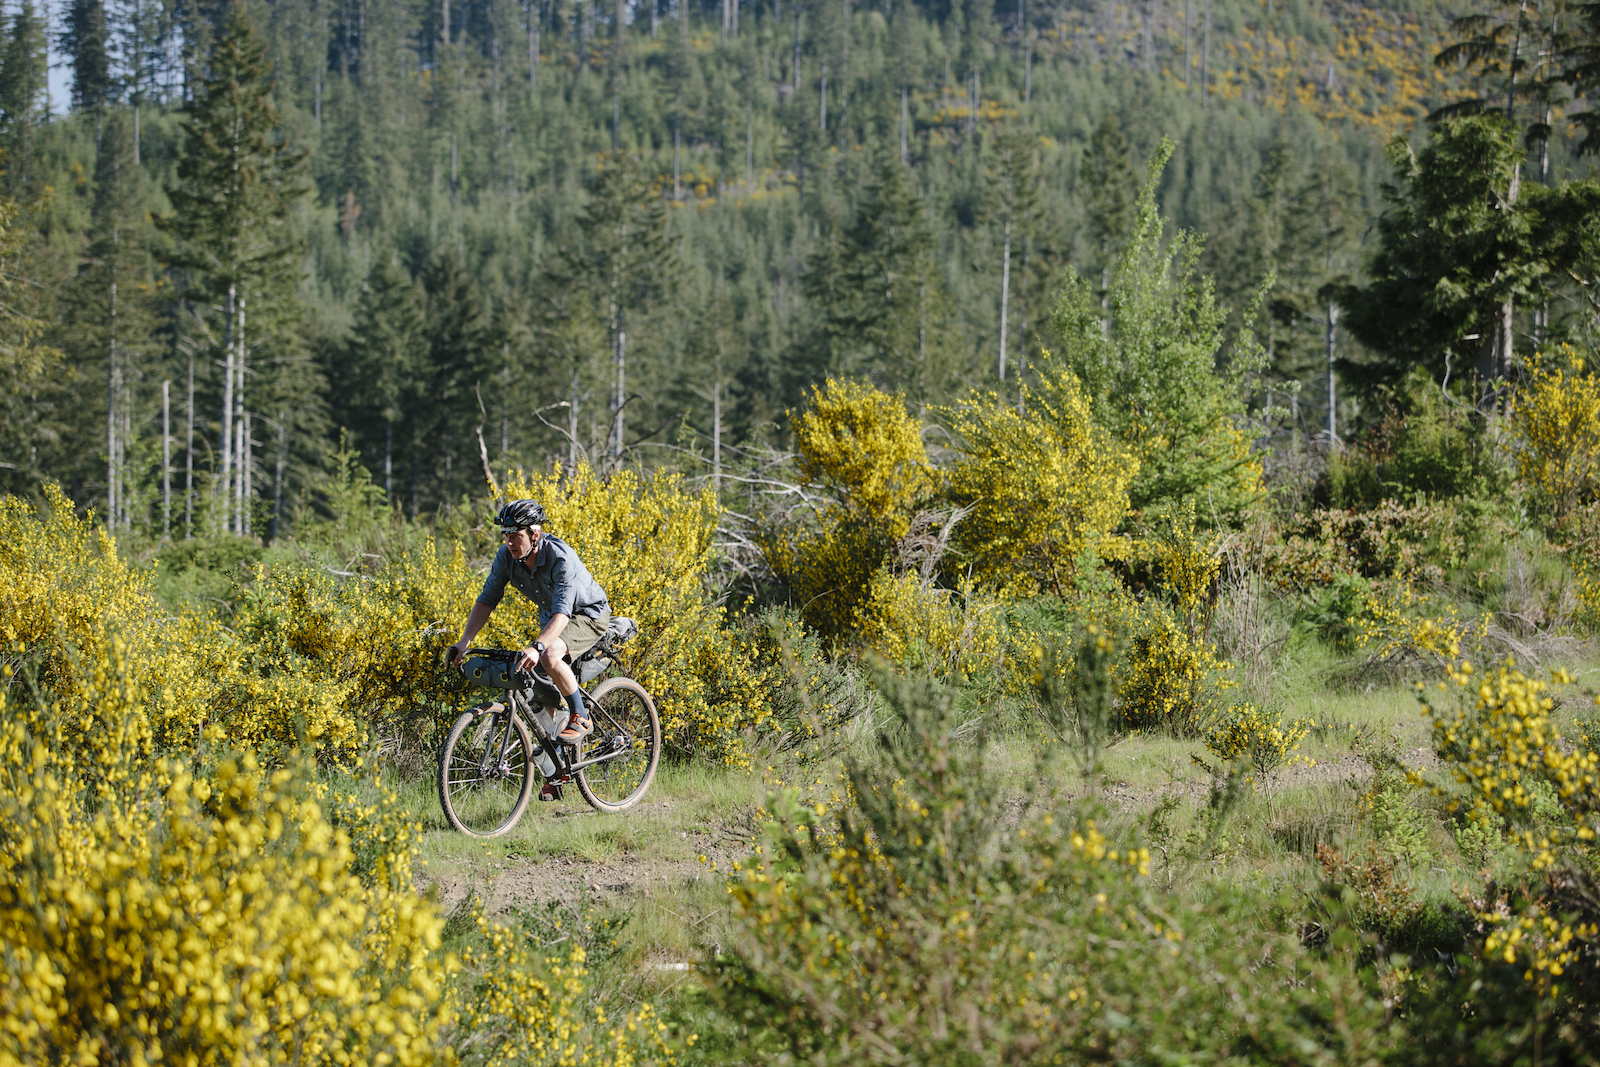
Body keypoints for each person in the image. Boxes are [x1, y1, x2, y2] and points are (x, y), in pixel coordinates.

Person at [446, 500, 611, 798]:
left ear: (534, 534)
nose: (509, 541)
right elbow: (487, 600)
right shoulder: (507, 557)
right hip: (554, 619)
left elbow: (564, 613)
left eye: (516, 535)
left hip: (587, 616)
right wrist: (463, 642)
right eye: (506, 535)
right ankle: (557, 771)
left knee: (548, 655)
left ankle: (580, 713)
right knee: (537, 690)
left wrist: (537, 646)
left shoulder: (560, 558)